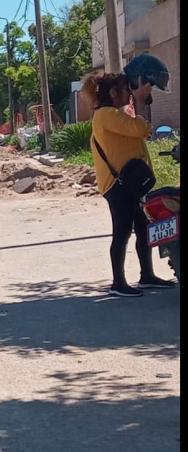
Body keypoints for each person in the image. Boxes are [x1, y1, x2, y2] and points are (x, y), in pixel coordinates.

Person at [80, 72, 175, 297]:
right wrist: (140, 101)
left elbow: (138, 130)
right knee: (121, 233)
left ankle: (147, 275)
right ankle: (118, 283)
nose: (129, 93)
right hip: (118, 186)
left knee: (142, 229)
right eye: (126, 89)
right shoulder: (106, 115)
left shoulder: (114, 115)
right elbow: (140, 128)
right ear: (113, 93)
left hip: (130, 184)